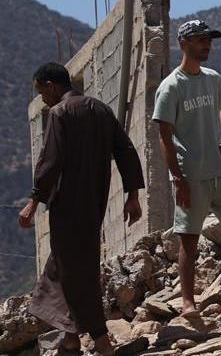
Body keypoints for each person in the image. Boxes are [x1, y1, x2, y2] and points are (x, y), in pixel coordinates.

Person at [18, 62, 147, 355]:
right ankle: (70, 340)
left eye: (42, 92)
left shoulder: (60, 114)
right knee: (60, 268)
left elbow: (51, 161)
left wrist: (34, 200)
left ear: (51, 86)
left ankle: (101, 339)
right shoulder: (100, 109)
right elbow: (125, 150)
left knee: (76, 272)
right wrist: (132, 194)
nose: (43, 99)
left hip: (67, 205)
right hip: (95, 204)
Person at [151, 19, 221, 317]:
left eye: (209, 40)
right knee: (189, 239)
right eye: (201, 40)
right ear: (184, 44)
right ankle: (188, 304)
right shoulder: (170, 87)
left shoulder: (212, 79)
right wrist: (177, 178)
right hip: (191, 174)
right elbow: (163, 136)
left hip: (218, 171)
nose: (207, 45)